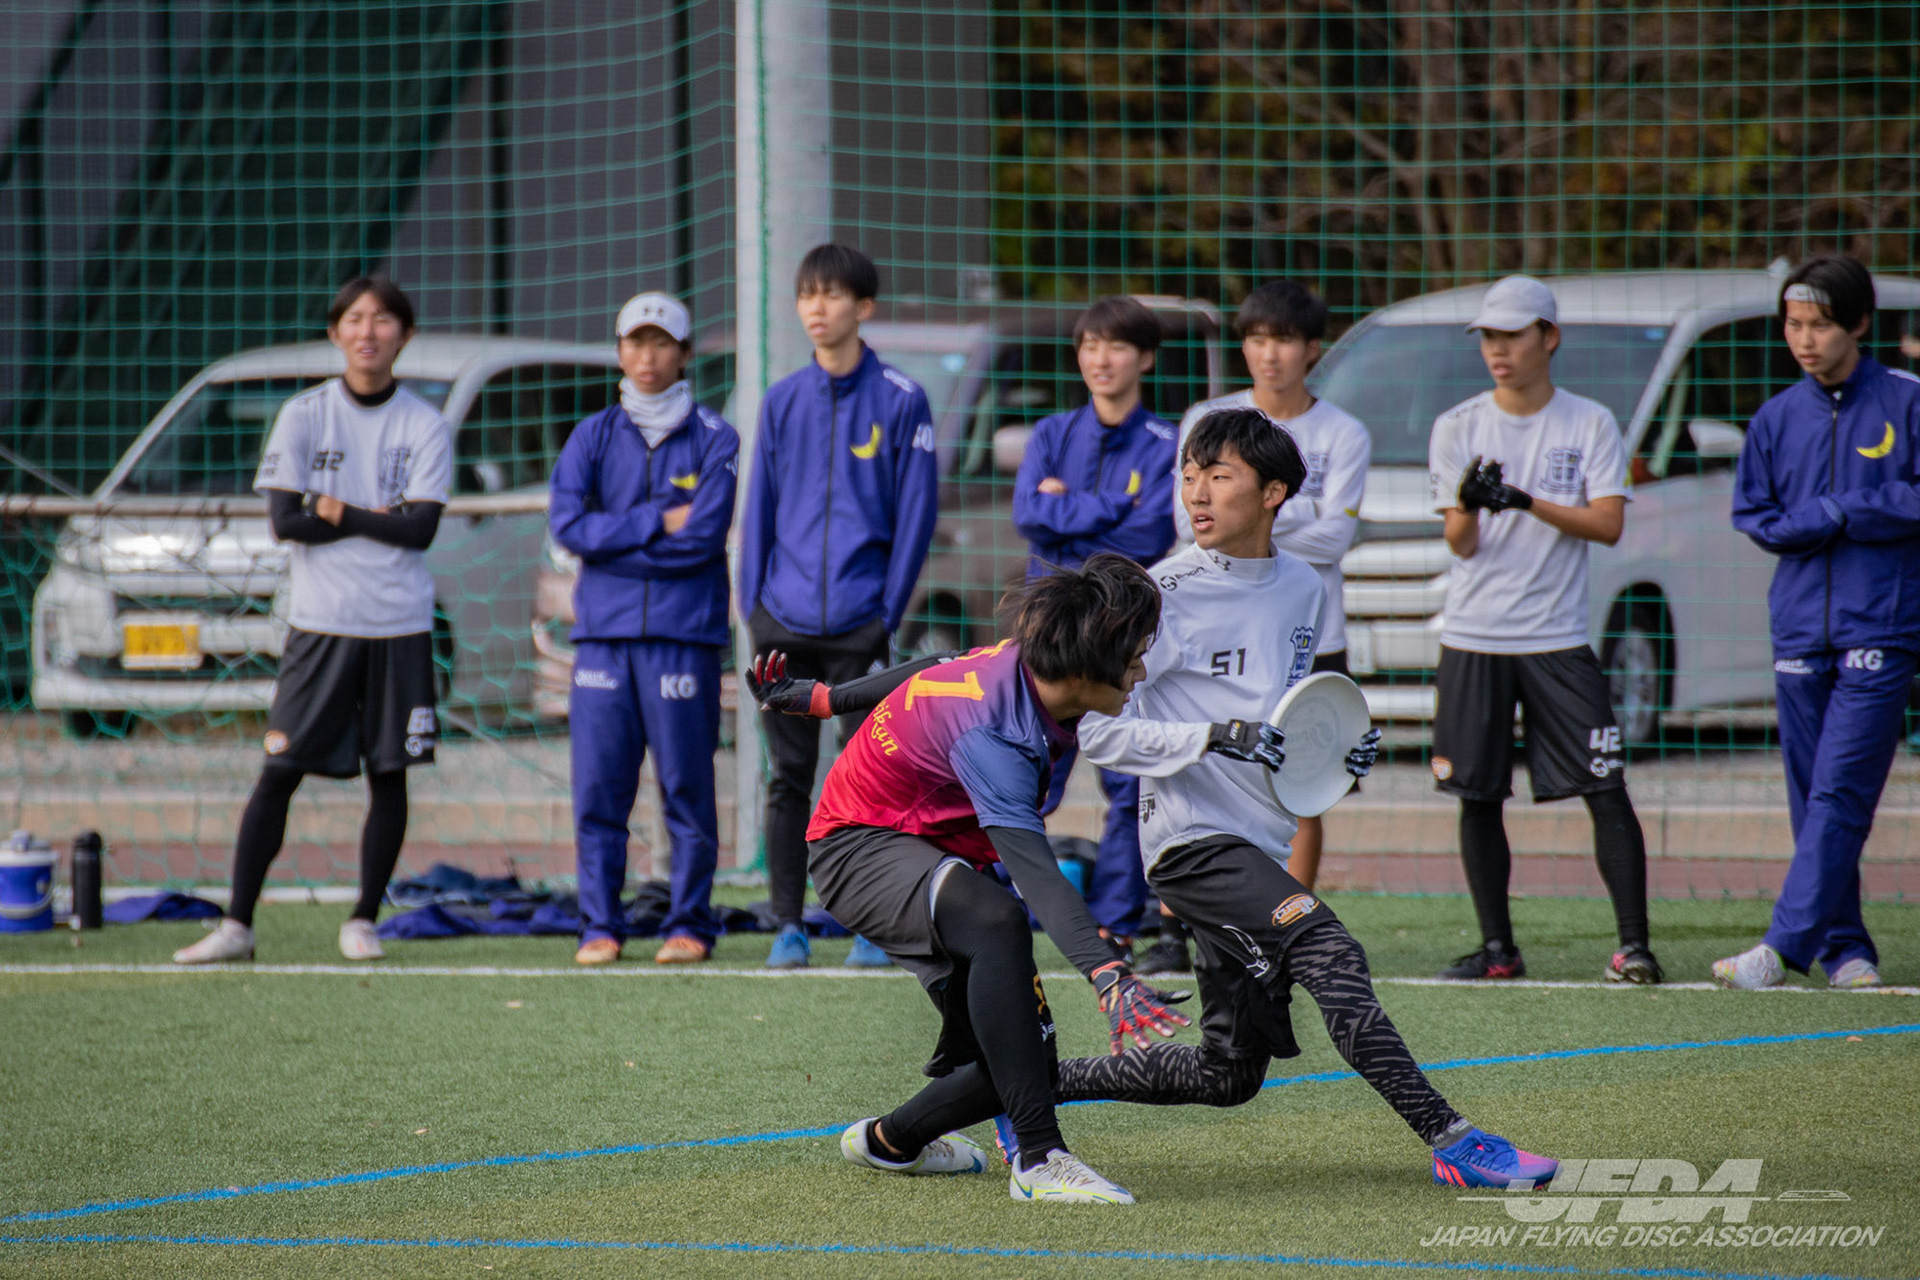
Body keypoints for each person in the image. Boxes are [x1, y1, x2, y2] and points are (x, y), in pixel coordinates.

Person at [1057, 407, 1555, 1191]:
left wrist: (1336, 753)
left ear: (1274, 493)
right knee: (1332, 952)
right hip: (1190, 845)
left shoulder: (1301, 586)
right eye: (1189, 476)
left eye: (1219, 476)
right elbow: (1095, 731)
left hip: (1257, 841)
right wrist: (1211, 737)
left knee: (1227, 1073)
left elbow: (1284, 717)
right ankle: (1453, 1140)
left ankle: (1017, 1085)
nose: (1197, 493)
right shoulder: (1160, 593)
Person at [745, 556, 1210, 1204]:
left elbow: (934, 667)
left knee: (1021, 1061)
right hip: (859, 846)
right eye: (1133, 658)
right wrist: (1108, 974)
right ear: (1085, 666)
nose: (1141, 671)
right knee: (997, 920)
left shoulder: (1021, 662)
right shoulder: (996, 736)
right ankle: (1041, 1161)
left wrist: (827, 700)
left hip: (930, 848)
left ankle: (890, 1141)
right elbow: (1034, 873)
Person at [174, 277, 450, 964]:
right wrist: (375, 518)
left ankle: (363, 919)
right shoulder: (304, 415)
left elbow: (420, 531)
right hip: (320, 625)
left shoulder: (424, 423)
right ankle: (237, 925)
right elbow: (284, 521)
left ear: (405, 335)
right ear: (335, 333)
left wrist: (335, 509)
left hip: (399, 625)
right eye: (354, 319)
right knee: (280, 770)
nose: (367, 332)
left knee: (390, 775)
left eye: (382, 320)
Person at [1426, 275, 1660, 985]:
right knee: (1477, 795)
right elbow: (1460, 543)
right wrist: (1471, 504)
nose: (1497, 351)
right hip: (1474, 637)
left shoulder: (1589, 421)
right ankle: (1498, 949)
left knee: (1605, 786)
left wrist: (1525, 500)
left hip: (1558, 640)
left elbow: (1608, 525)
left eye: (1512, 336)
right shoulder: (1457, 425)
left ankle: (1634, 947)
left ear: (1549, 338)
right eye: (1488, 338)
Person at [1718, 255, 1920, 989]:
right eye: (1794, 324)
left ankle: (1781, 948)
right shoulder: (1774, 417)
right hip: (1799, 629)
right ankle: (1847, 950)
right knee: (1812, 800)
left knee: (1839, 790)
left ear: (1860, 324)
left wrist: (1845, 509)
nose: (1805, 340)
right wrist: (1806, 523)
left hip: (1882, 626)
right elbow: (1755, 514)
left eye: (1822, 325)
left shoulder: (1907, 400)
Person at [737, 243, 940, 970]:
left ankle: (871, 927)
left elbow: (916, 517)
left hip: (862, 624)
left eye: (830, 294)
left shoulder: (902, 398)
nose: (816, 308)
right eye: (807, 295)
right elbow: (758, 510)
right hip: (780, 622)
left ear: (864, 307)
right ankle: (788, 925)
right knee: (789, 777)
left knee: (870, 777)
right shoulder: (782, 399)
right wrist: (752, 607)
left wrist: (886, 615)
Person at [1167, 279, 1372, 919]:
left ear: (1312, 349)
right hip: (1217, 630)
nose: (1269, 354)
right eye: (1256, 339)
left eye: (1283, 339)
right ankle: (1180, 919)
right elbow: (1188, 527)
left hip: (1311, 634)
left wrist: (1258, 522)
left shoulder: (1343, 431)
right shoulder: (1208, 419)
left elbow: (1337, 539)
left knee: (1298, 776)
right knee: (1202, 764)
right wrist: (1294, 512)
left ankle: (1293, 916)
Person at [548, 292, 739, 965]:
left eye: (661, 342)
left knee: (686, 789)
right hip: (603, 640)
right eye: (635, 341)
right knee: (600, 790)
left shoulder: (716, 437)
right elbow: (567, 528)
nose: (647, 356)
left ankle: (690, 924)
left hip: (683, 639)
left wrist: (612, 545)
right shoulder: (591, 435)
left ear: (684, 354)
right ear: (620, 350)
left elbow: (703, 540)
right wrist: (658, 521)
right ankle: (600, 927)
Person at [1010, 295, 1177, 958]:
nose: (1100, 359)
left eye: (1116, 346)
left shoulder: (1166, 442)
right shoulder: (1052, 433)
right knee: (1024, 776)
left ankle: (1116, 922)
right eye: (1089, 345)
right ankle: (995, 903)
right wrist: (1110, 505)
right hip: (1048, 637)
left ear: (1146, 359)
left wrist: (1067, 512)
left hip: (1116, 642)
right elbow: (1028, 515)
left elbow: (1149, 534)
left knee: (1128, 785)